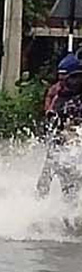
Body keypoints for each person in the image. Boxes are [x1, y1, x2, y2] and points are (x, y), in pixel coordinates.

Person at [39, 57, 82, 199]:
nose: (63, 83)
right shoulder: (59, 92)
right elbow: (51, 108)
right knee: (50, 172)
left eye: (66, 79)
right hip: (63, 142)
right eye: (60, 79)